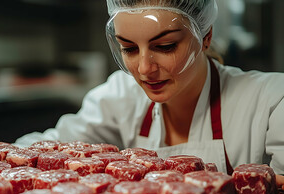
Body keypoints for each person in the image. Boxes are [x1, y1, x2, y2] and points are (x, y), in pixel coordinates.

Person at [15, 0, 284, 184]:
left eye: (165, 46)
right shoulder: (120, 94)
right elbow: (49, 148)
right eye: (129, 49)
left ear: (206, 37)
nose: (144, 69)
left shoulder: (272, 100)